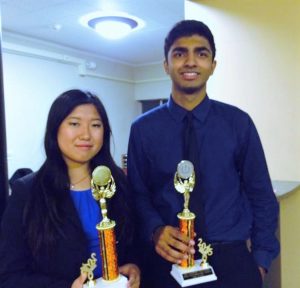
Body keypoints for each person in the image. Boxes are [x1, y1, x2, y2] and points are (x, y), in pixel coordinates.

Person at [127, 20, 279, 288]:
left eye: (201, 53)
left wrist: (260, 263)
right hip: (167, 260)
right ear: (166, 65)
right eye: (179, 53)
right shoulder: (143, 129)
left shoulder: (238, 123)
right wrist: (155, 230)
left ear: (212, 65)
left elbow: (261, 195)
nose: (190, 61)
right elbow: (138, 193)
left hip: (231, 261)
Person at [0, 89, 140, 288]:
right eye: (74, 124)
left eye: (95, 125)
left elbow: (132, 242)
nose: (86, 135)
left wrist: (134, 266)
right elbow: (9, 277)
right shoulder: (28, 192)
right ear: (55, 129)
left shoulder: (118, 182)